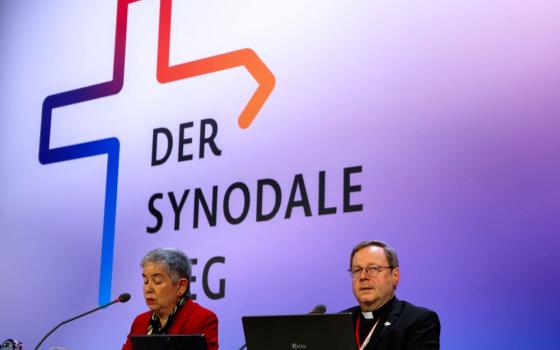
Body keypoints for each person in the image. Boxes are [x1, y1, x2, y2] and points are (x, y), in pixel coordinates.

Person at [343, 240, 440, 350]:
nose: (363, 276)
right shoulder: (339, 322)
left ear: (395, 275)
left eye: (373, 269)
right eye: (357, 270)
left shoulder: (418, 321)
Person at [122, 248, 218, 350]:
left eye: (157, 281)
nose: (148, 289)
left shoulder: (202, 319)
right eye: (146, 281)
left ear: (181, 286)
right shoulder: (140, 322)